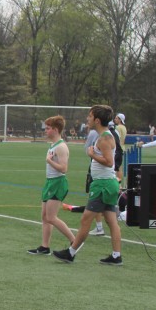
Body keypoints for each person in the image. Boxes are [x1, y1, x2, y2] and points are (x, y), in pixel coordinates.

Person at [53, 105, 123, 266]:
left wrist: (92, 155)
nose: (87, 119)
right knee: (111, 220)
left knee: (86, 219)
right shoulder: (104, 136)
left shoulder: (104, 139)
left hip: (103, 185)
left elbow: (109, 162)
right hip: (107, 183)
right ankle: (116, 256)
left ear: (97, 120)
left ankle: (71, 253)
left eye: (90, 116)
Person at [28, 116, 76, 255]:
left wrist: (49, 161)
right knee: (45, 216)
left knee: (51, 217)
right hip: (50, 182)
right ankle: (45, 247)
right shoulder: (53, 145)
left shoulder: (61, 147)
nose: (45, 131)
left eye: (48, 128)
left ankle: (75, 241)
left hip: (57, 183)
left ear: (55, 129)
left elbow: (64, 168)